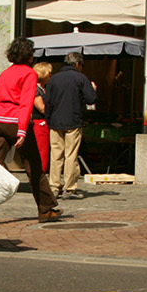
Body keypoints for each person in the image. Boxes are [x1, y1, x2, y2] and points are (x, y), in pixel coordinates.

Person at [0, 38, 60, 223]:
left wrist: (2, 109)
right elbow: (26, 103)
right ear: (28, 55)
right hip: (15, 121)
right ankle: (46, 209)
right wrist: (21, 131)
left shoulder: (5, 73)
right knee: (34, 166)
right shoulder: (29, 73)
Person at [44, 53, 97, 199]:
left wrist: (49, 120)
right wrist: (93, 88)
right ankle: (69, 187)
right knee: (71, 155)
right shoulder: (80, 78)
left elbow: (47, 101)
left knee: (55, 156)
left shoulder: (54, 79)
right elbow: (91, 99)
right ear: (78, 64)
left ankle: (54, 186)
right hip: (73, 120)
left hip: (55, 121)